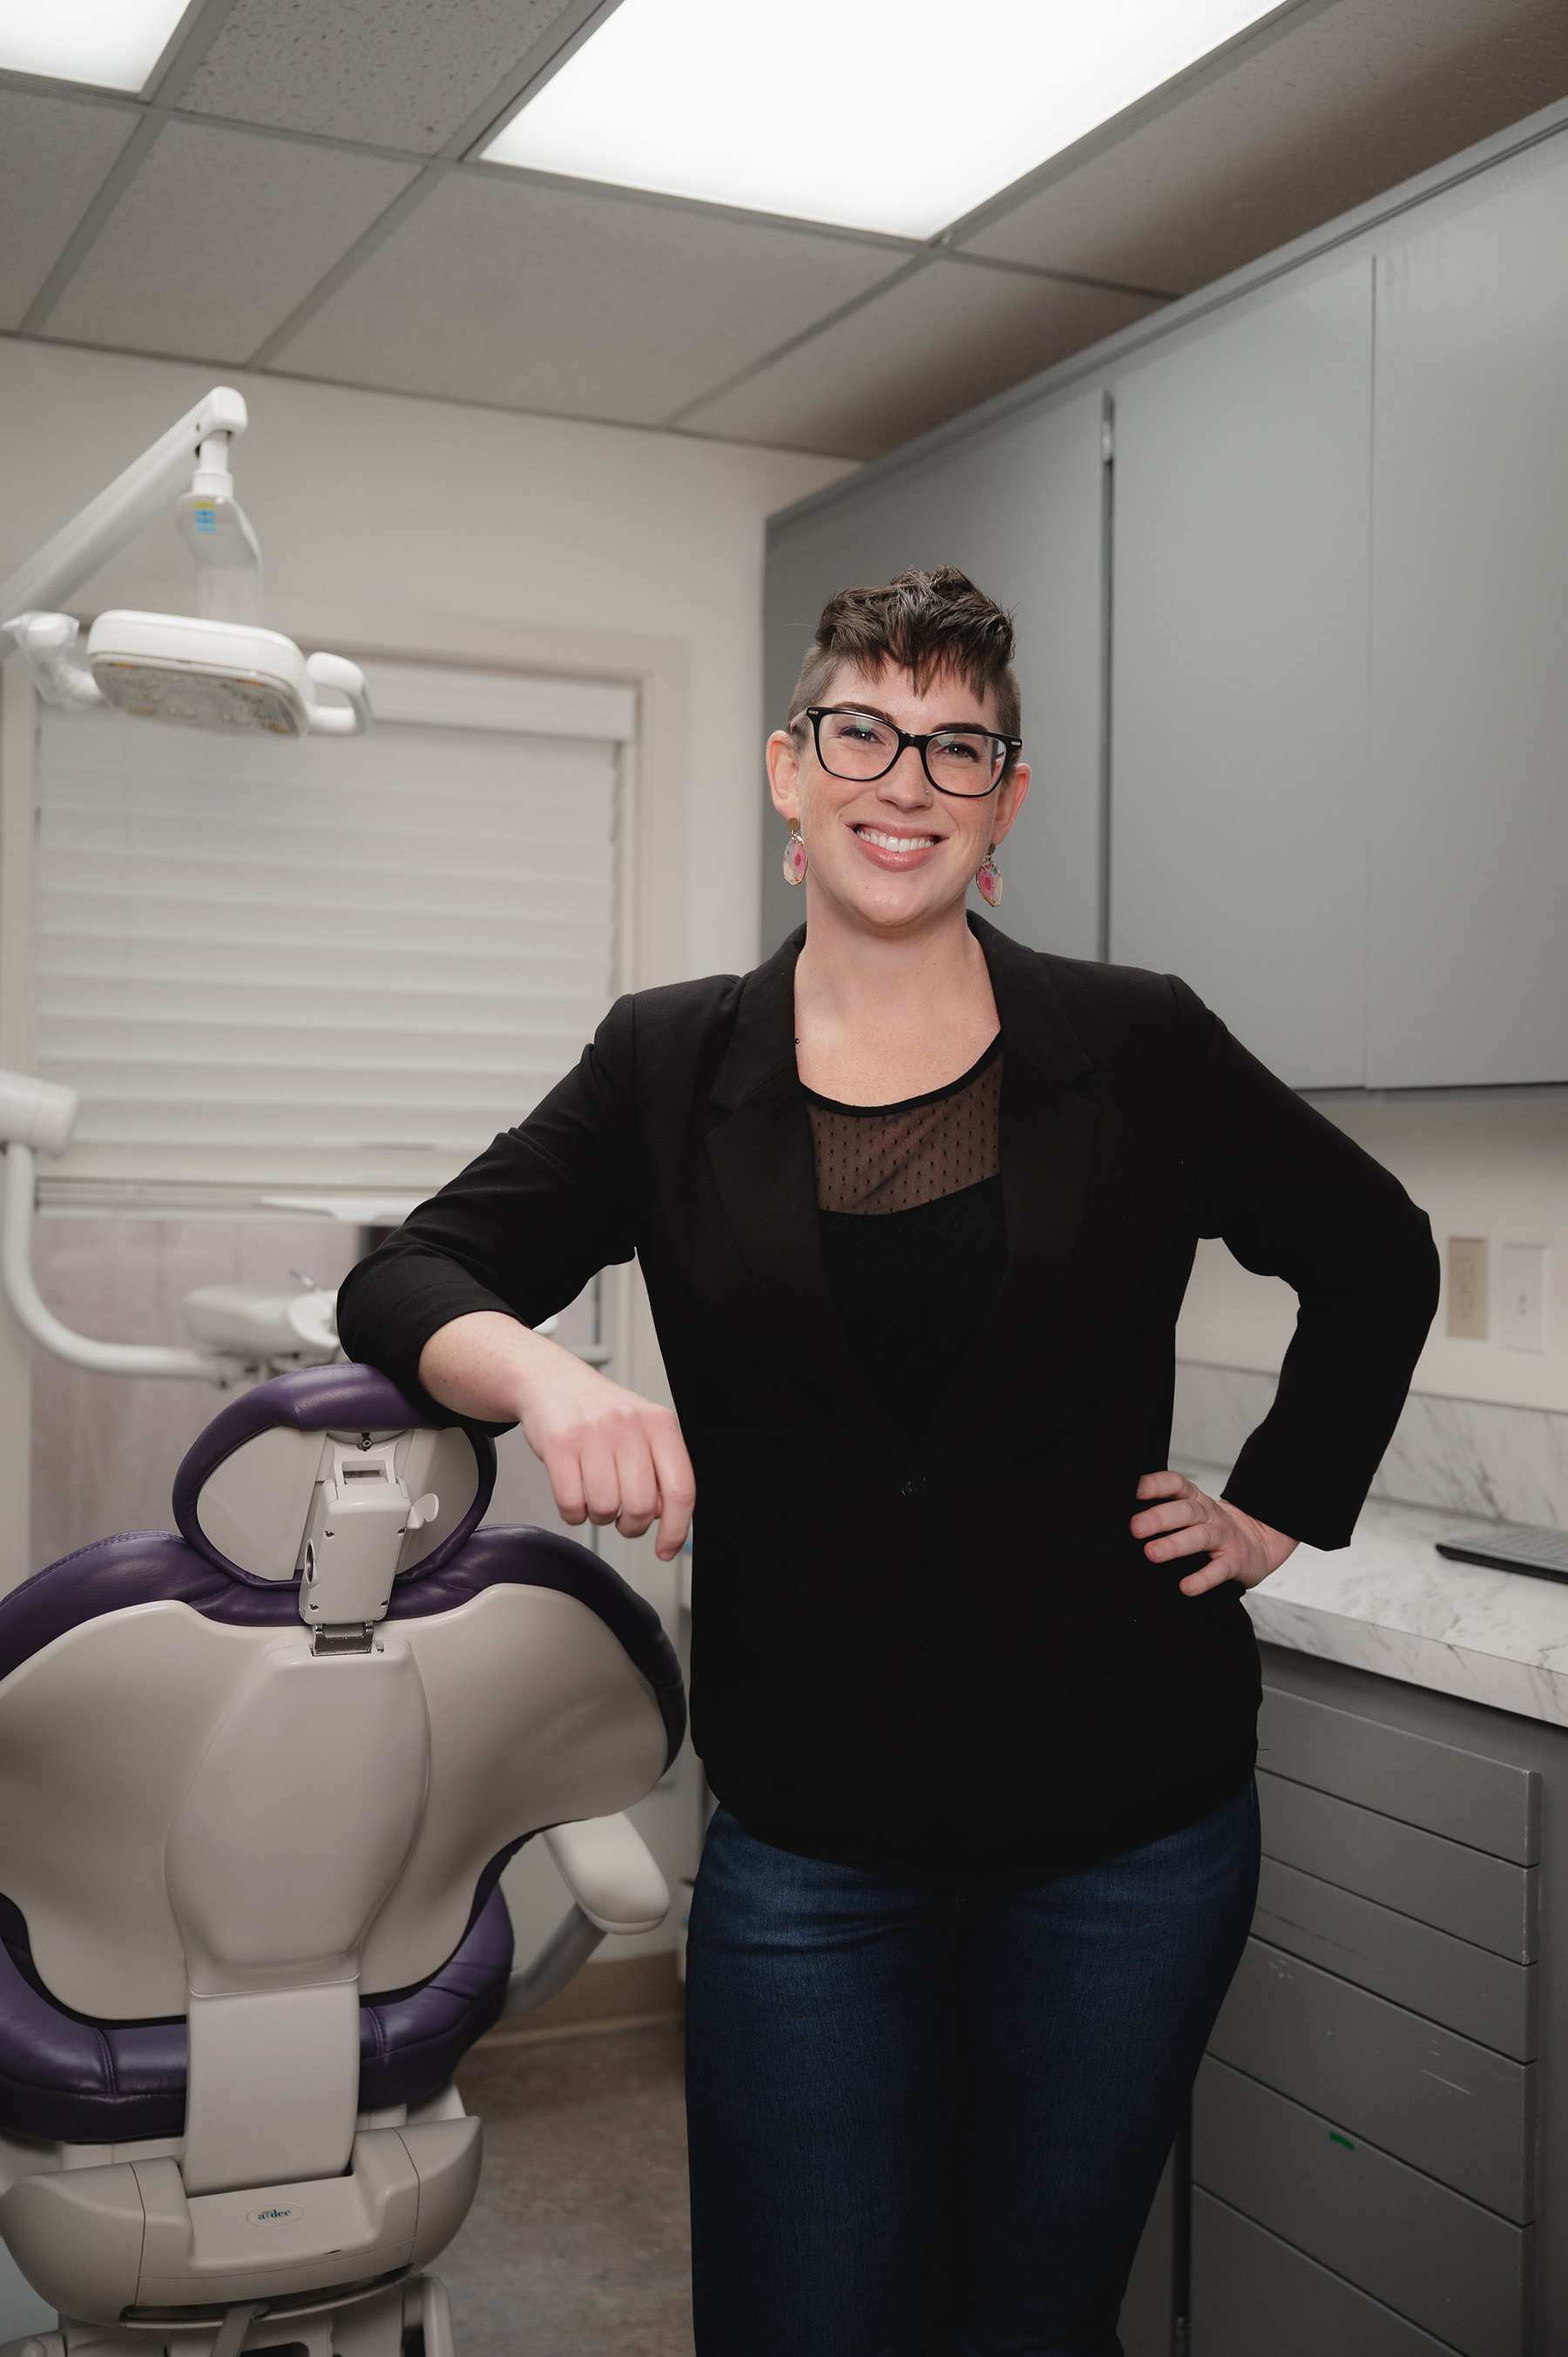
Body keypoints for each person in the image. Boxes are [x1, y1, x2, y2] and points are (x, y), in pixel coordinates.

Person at [337, 567, 1438, 2355]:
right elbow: (408, 1277)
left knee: (1034, 2319)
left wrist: (1276, 1507)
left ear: (1005, 802)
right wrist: (545, 1378)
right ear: (790, 768)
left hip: (1129, 1833)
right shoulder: (669, 1060)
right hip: (815, 1843)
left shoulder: (1136, 1042)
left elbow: (1375, 1250)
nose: (905, 778)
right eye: (863, 730)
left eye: (956, 747)